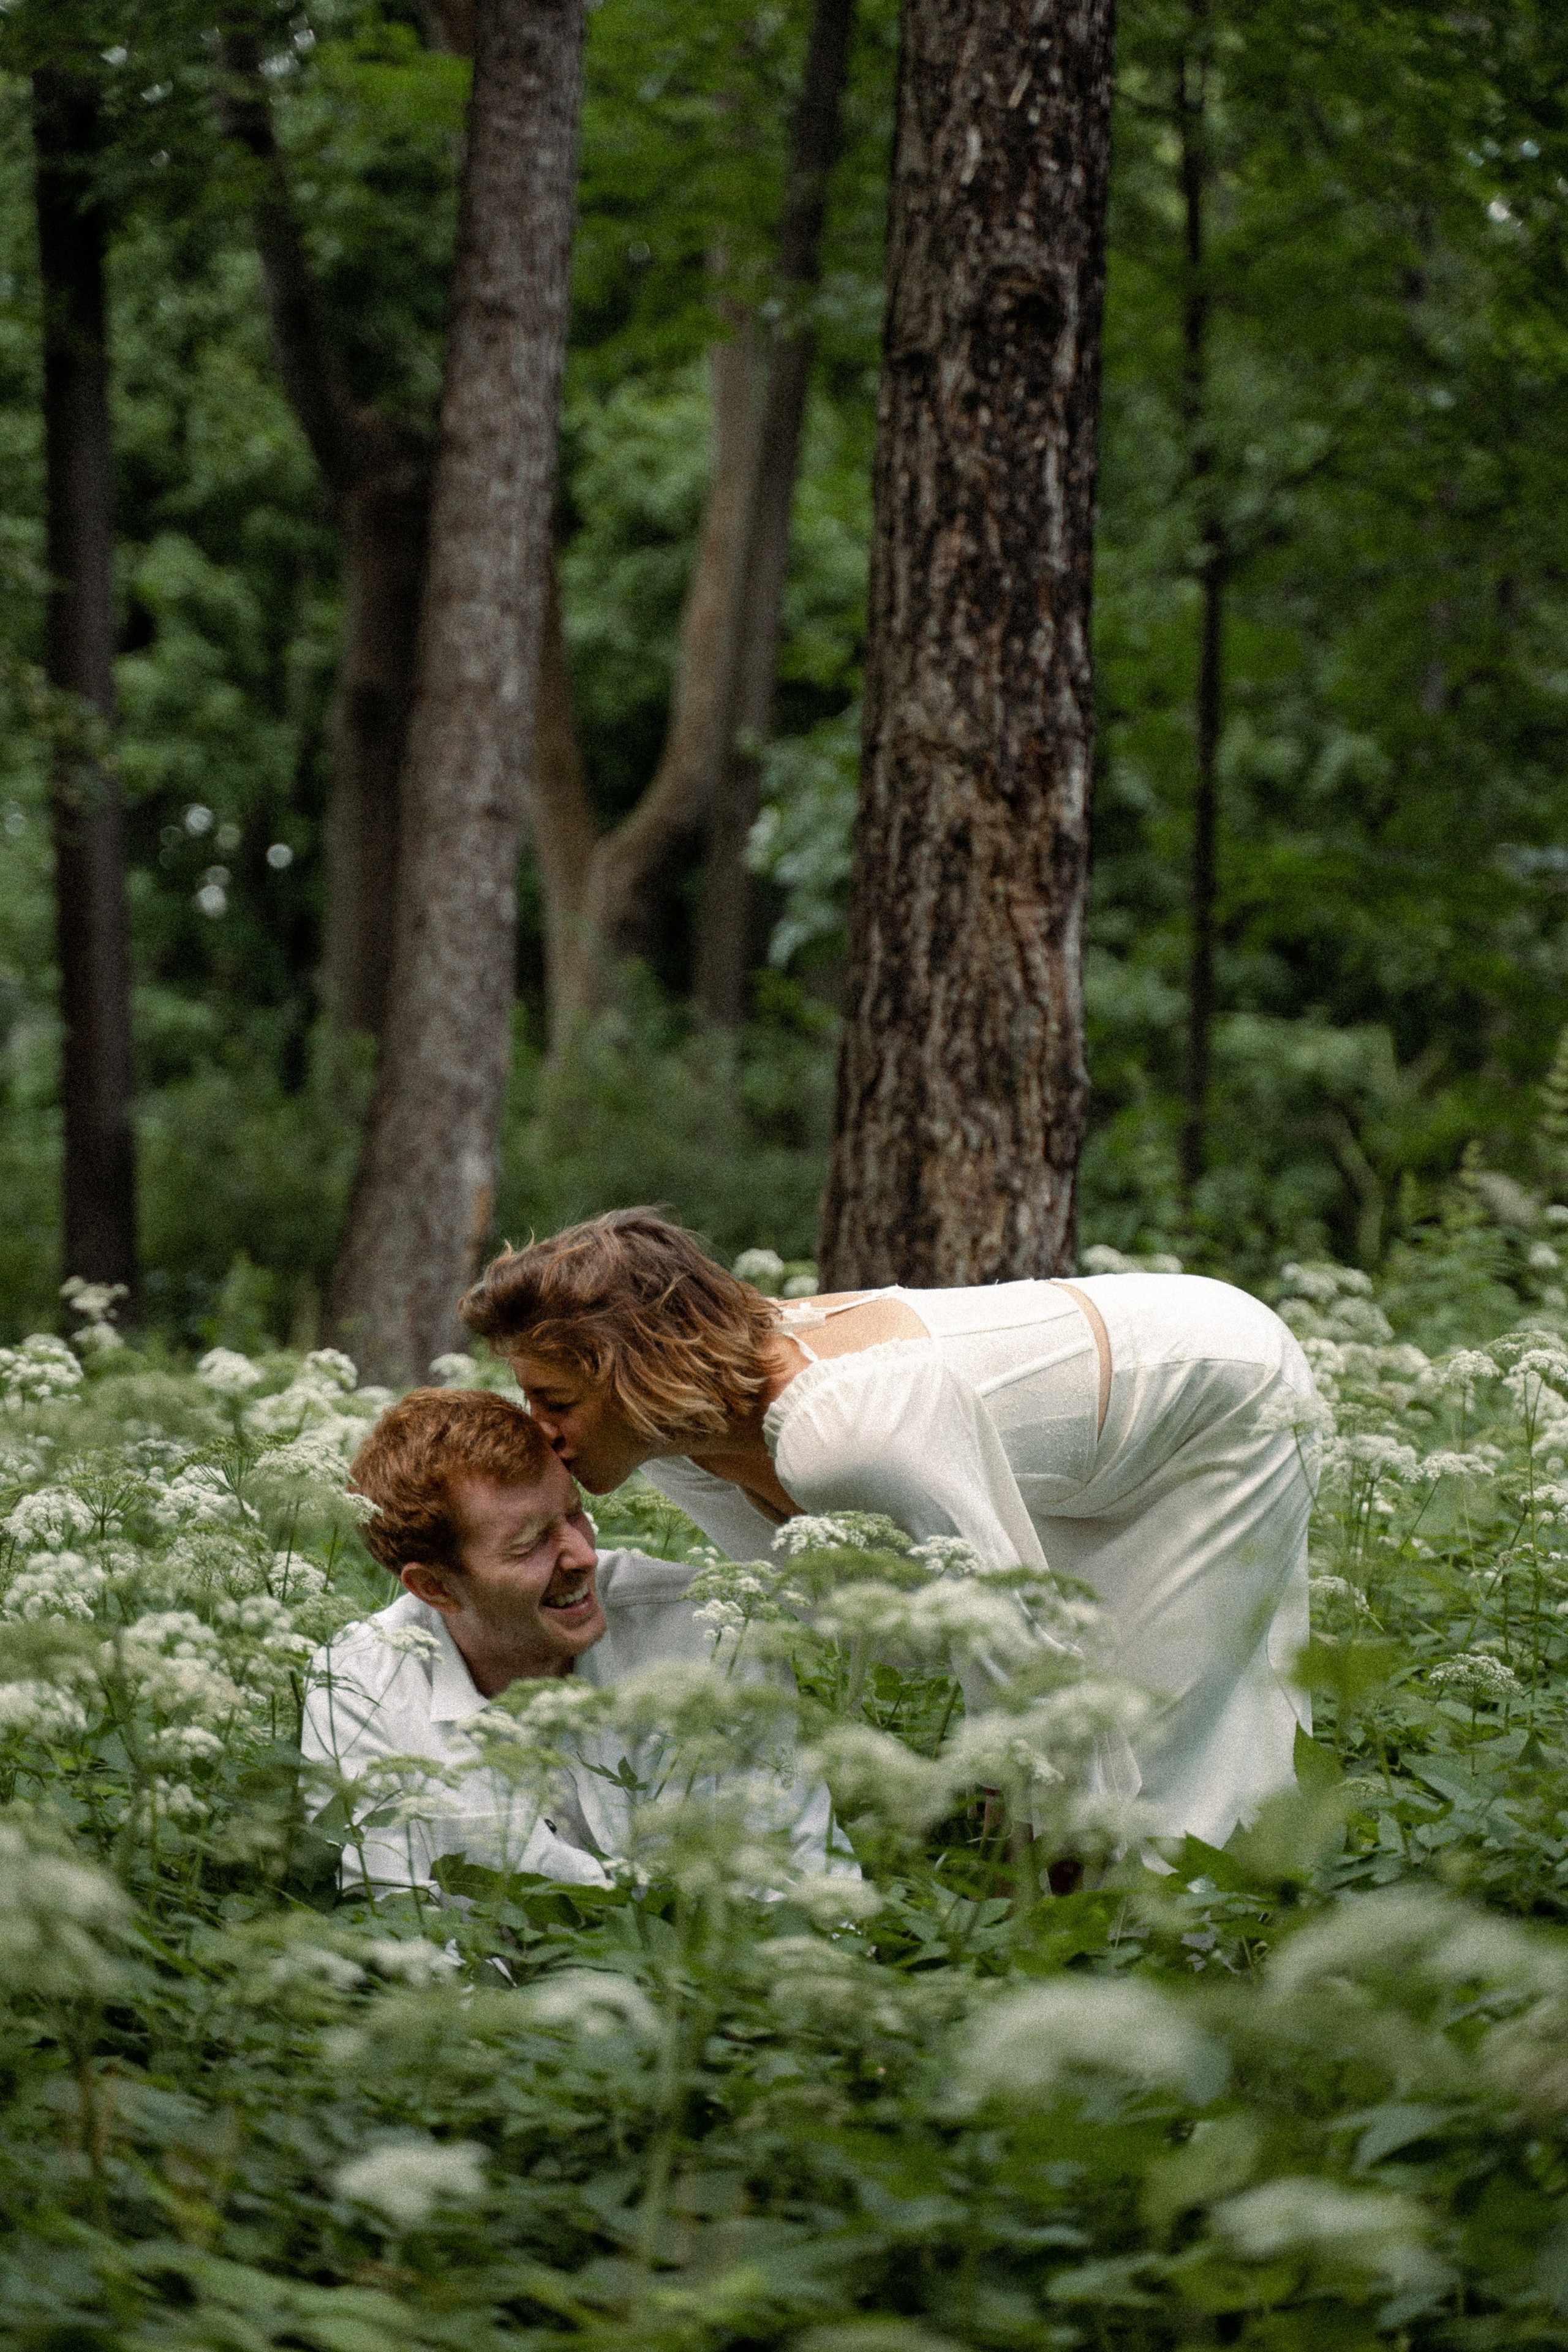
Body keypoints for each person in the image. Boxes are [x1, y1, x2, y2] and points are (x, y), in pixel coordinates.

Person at [459, 1210, 1322, 1850]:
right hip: (1089, 1456)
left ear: (640, 1372)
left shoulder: (845, 1436)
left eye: (556, 1399)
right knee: (1100, 1731)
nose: (538, 1427)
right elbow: (888, 1610)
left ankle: (1211, 1973)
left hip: (1214, 1394)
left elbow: (1004, 1626)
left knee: (1169, 1760)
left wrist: (1039, 1825)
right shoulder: (685, 1447)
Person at [300, 1385, 836, 1890]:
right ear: (434, 1587)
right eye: (530, 1543)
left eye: (575, 1513)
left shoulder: (707, 1627)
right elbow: (393, 1912)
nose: (582, 1556)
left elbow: (798, 1869)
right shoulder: (360, 1686)